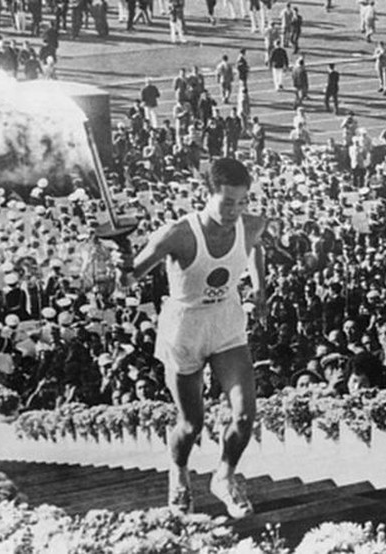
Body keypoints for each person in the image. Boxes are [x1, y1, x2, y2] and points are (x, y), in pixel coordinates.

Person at [119, 158, 267, 518]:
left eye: (242, 202)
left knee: (245, 416)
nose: (235, 211)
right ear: (207, 194)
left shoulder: (252, 224)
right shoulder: (178, 234)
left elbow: (256, 246)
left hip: (227, 322)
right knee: (191, 424)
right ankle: (179, 472)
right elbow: (128, 280)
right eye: (227, 202)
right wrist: (120, 262)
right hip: (185, 327)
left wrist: (260, 288)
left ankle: (224, 476)